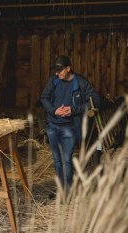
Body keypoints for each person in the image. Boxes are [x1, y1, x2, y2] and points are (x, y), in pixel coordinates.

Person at [41, 55, 101, 193]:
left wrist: (73, 110)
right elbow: (44, 98)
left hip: (70, 126)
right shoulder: (54, 81)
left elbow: (96, 101)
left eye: (60, 70)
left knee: (66, 158)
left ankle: (67, 191)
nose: (57, 73)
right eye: (55, 70)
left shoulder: (81, 83)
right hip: (53, 125)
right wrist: (54, 110)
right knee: (57, 159)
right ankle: (62, 188)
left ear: (68, 68)